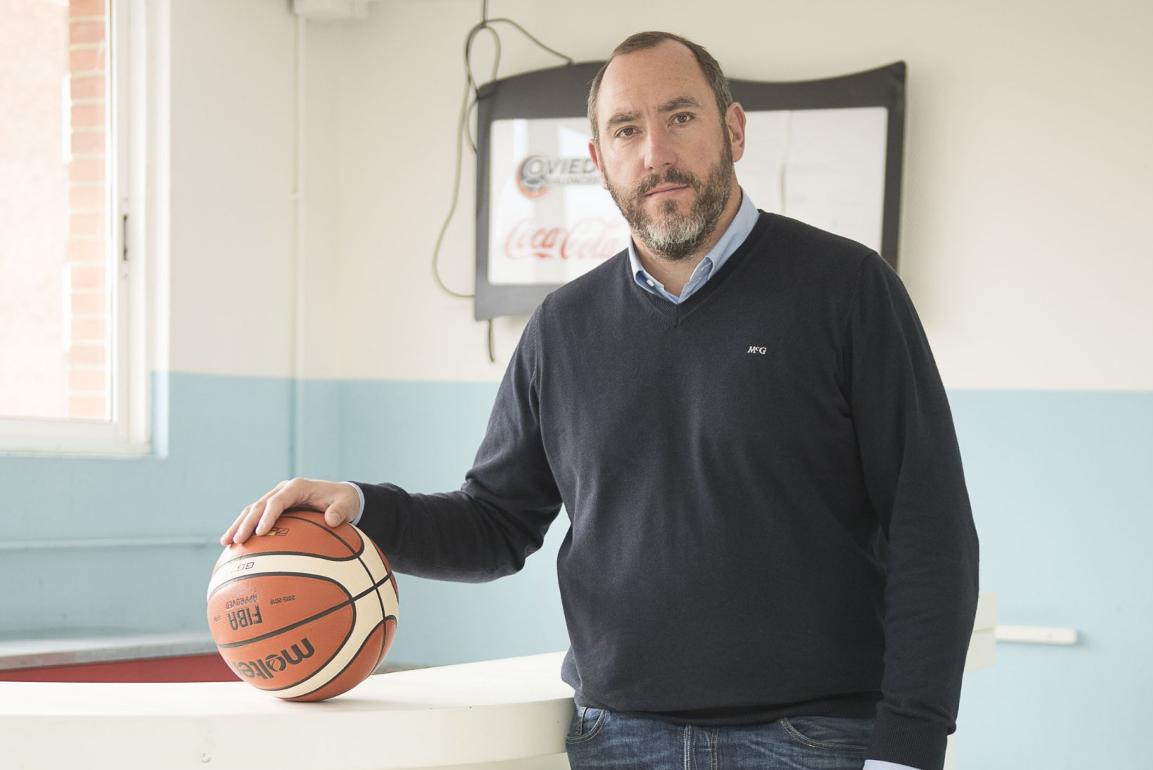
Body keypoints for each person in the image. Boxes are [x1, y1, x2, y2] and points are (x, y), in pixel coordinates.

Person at [221, 31, 979, 770]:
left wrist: (909, 747)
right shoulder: (562, 328)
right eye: (627, 129)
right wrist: (361, 507)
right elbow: (495, 524)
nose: (656, 153)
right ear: (598, 161)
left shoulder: (847, 290)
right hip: (618, 740)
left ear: (734, 129)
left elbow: (931, 530)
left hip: (815, 739)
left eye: (681, 117)